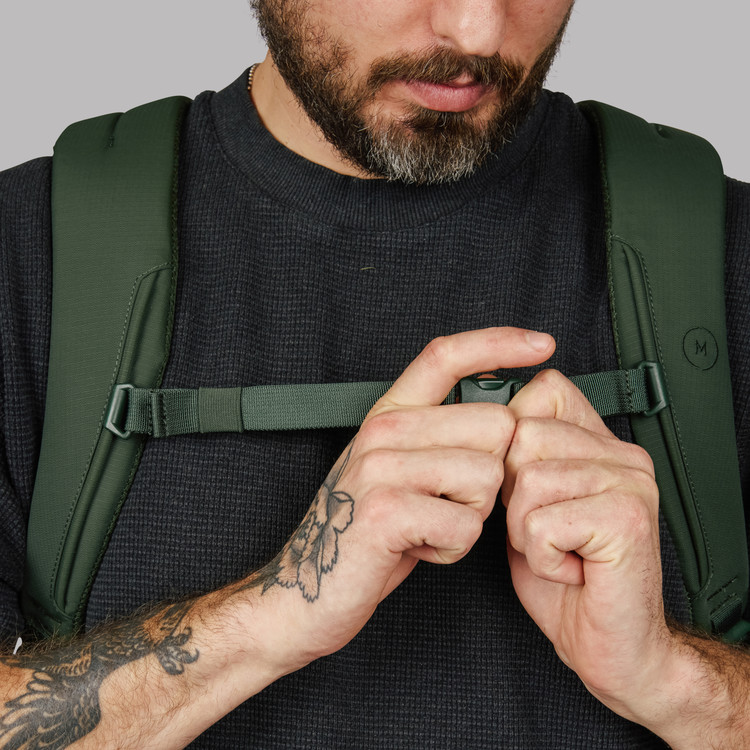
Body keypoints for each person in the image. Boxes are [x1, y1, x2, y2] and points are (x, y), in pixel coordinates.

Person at [0, 0, 749, 747]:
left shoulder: (721, 255)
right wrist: (271, 615)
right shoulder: (30, 252)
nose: (477, 31)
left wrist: (675, 682)